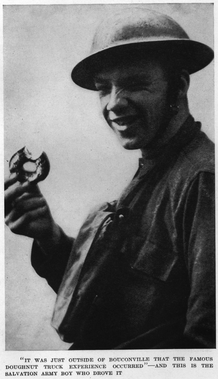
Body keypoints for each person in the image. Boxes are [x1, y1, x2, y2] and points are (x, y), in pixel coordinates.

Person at [5, 8, 215, 349]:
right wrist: (49, 236)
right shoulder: (154, 168)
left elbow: (206, 346)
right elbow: (105, 302)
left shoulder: (204, 180)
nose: (114, 103)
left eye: (134, 83)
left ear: (179, 85)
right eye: (104, 88)